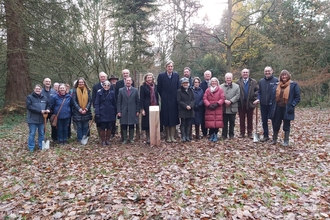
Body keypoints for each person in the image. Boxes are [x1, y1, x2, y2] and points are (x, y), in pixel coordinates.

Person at [268, 70, 300, 146]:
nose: (284, 76)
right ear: (280, 76)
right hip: (277, 107)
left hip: (287, 108)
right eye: (282, 75)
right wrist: (271, 103)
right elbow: (272, 96)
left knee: (286, 124)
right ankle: (274, 139)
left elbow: (297, 97)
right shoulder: (276, 85)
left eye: (285, 75)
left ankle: (286, 140)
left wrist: (292, 104)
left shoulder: (293, 85)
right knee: (276, 124)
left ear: (288, 76)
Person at [157, 60, 180, 143]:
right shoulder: (161, 76)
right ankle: (167, 136)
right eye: (168, 66)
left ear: (173, 67)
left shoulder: (176, 75)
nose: (170, 68)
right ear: (166, 67)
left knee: (173, 118)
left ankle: (172, 136)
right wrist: (163, 96)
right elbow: (159, 88)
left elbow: (178, 87)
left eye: (171, 66)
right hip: (165, 100)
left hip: (174, 100)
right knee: (166, 118)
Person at [255, 66, 278, 142]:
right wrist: (258, 98)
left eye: (269, 71)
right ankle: (266, 135)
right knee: (264, 121)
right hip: (263, 104)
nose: (267, 72)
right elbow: (259, 92)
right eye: (266, 71)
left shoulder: (276, 80)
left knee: (273, 121)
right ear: (264, 72)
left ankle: (274, 137)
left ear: (272, 71)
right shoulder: (261, 81)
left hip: (273, 105)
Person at [26, 84, 50, 152]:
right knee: (32, 133)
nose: (38, 90)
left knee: (41, 133)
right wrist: (40, 111)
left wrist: (48, 109)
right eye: (36, 89)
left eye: (39, 89)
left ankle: (41, 146)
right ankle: (31, 147)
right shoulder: (29, 97)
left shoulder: (44, 98)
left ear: (41, 90)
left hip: (42, 119)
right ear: (34, 89)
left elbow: (48, 105)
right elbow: (29, 107)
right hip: (32, 119)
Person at [237, 68, 259, 139]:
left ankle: (250, 132)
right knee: (241, 118)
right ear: (241, 73)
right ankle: (242, 132)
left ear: (248, 73)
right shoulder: (238, 82)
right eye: (244, 72)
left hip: (250, 102)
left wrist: (255, 99)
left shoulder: (253, 82)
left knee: (250, 118)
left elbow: (257, 91)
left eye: (246, 72)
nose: (245, 73)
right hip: (241, 103)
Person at [117, 77, 140, 144]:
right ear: (125, 82)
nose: (128, 82)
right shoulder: (121, 90)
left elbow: (137, 101)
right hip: (123, 110)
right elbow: (119, 102)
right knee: (124, 125)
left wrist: (137, 110)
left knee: (131, 125)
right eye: (127, 81)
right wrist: (119, 111)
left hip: (132, 110)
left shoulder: (135, 90)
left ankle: (131, 139)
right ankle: (125, 139)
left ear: (131, 82)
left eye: (129, 81)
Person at [94, 80, 117, 146]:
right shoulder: (99, 93)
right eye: (105, 85)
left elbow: (114, 103)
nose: (106, 86)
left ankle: (107, 139)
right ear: (103, 86)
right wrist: (97, 112)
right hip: (102, 112)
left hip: (110, 112)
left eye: (108, 85)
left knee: (109, 127)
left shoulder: (112, 93)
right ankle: (103, 140)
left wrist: (115, 111)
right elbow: (96, 103)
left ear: (110, 86)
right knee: (103, 127)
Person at [115, 69, 135, 141]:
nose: (125, 74)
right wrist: (119, 109)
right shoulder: (118, 83)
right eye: (124, 73)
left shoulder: (133, 84)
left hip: (131, 108)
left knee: (131, 123)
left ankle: (131, 138)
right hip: (123, 107)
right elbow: (117, 97)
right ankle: (123, 137)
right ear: (122, 74)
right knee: (123, 123)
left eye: (127, 73)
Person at [203, 77, 225, 142]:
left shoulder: (220, 90)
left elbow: (222, 98)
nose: (214, 83)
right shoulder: (207, 90)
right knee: (210, 123)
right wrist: (208, 105)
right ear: (210, 83)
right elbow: (204, 98)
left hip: (217, 108)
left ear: (217, 82)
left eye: (215, 81)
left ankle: (215, 134)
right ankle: (211, 134)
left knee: (217, 123)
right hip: (210, 109)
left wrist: (217, 104)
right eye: (212, 81)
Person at [71, 78, 93, 143]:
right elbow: (74, 101)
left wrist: (86, 108)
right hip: (78, 111)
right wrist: (79, 109)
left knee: (85, 126)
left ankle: (84, 138)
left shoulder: (88, 90)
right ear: (77, 83)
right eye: (79, 82)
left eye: (82, 82)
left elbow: (90, 100)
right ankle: (80, 139)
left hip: (86, 111)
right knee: (79, 126)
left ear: (84, 83)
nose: (81, 83)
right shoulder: (74, 90)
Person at [220, 73, 240, 140]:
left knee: (232, 122)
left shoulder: (236, 86)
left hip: (233, 107)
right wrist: (224, 101)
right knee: (224, 122)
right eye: (227, 78)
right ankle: (224, 135)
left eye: (230, 78)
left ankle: (231, 135)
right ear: (225, 79)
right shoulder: (221, 86)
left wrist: (231, 101)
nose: (228, 79)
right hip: (224, 107)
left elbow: (237, 95)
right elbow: (219, 95)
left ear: (232, 78)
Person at [140, 73, 158, 144]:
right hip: (146, 106)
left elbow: (157, 96)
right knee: (147, 123)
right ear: (145, 79)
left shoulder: (155, 86)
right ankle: (148, 138)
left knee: (154, 122)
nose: (149, 79)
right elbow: (141, 98)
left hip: (154, 106)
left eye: (151, 77)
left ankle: (154, 137)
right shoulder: (143, 87)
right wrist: (142, 109)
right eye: (148, 78)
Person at [177, 77, 195, 142]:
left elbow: (193, 99)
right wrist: (185, 106)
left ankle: (187, 136)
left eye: (186, 83)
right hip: (183, 110)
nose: (185, 84)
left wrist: (190, 105)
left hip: (190, 109)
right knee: (183, 123)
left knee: (188, 123)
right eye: (184, 83)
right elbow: (179, 101)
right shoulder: (179, 91)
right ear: (182, 84)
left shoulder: (191, 90)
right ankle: (183, 136)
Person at [92, 72, 108, 142]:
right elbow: (93, 97)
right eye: (101, 77)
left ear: (106, 78)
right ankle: (100, 137)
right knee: (99, 123)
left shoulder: (109, 85)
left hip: (107, 109)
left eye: (104, 77)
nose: (103, 78)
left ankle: (106, 138)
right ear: (99, 78)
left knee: (107, 123)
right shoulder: (95, 86)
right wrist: (95, 107)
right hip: (99, 108)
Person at [200, 70, 212, 138]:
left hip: (212, 105)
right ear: (204, 76)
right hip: (203, 105)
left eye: (208, 74)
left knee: (211, 119)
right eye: (206, 74)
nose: (207, 76)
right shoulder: (201, 84)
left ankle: (211, 133)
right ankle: (204, 133)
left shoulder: (213, 83)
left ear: (211, 75)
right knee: (203, 119)